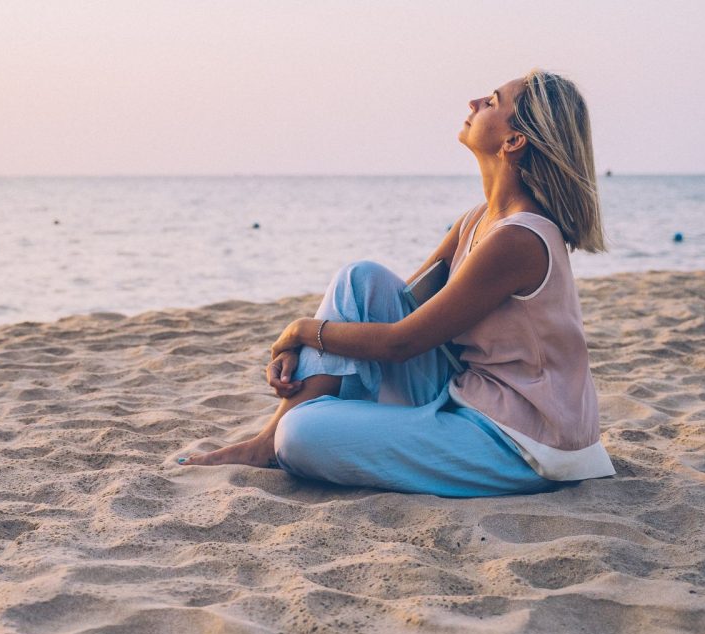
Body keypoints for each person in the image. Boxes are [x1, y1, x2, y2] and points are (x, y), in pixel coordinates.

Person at [178, 69, 616, 497]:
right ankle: (265, 442)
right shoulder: (476, 221)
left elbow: (399, 344)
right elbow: (392, 308)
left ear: (514, 141)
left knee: (300, 434)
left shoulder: (519, 238)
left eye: (492, 101)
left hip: (523, 441)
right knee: (359, 280)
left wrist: (299, 332)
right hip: (470, 394)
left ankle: (281, 437)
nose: (474, 103)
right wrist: (314, 348)